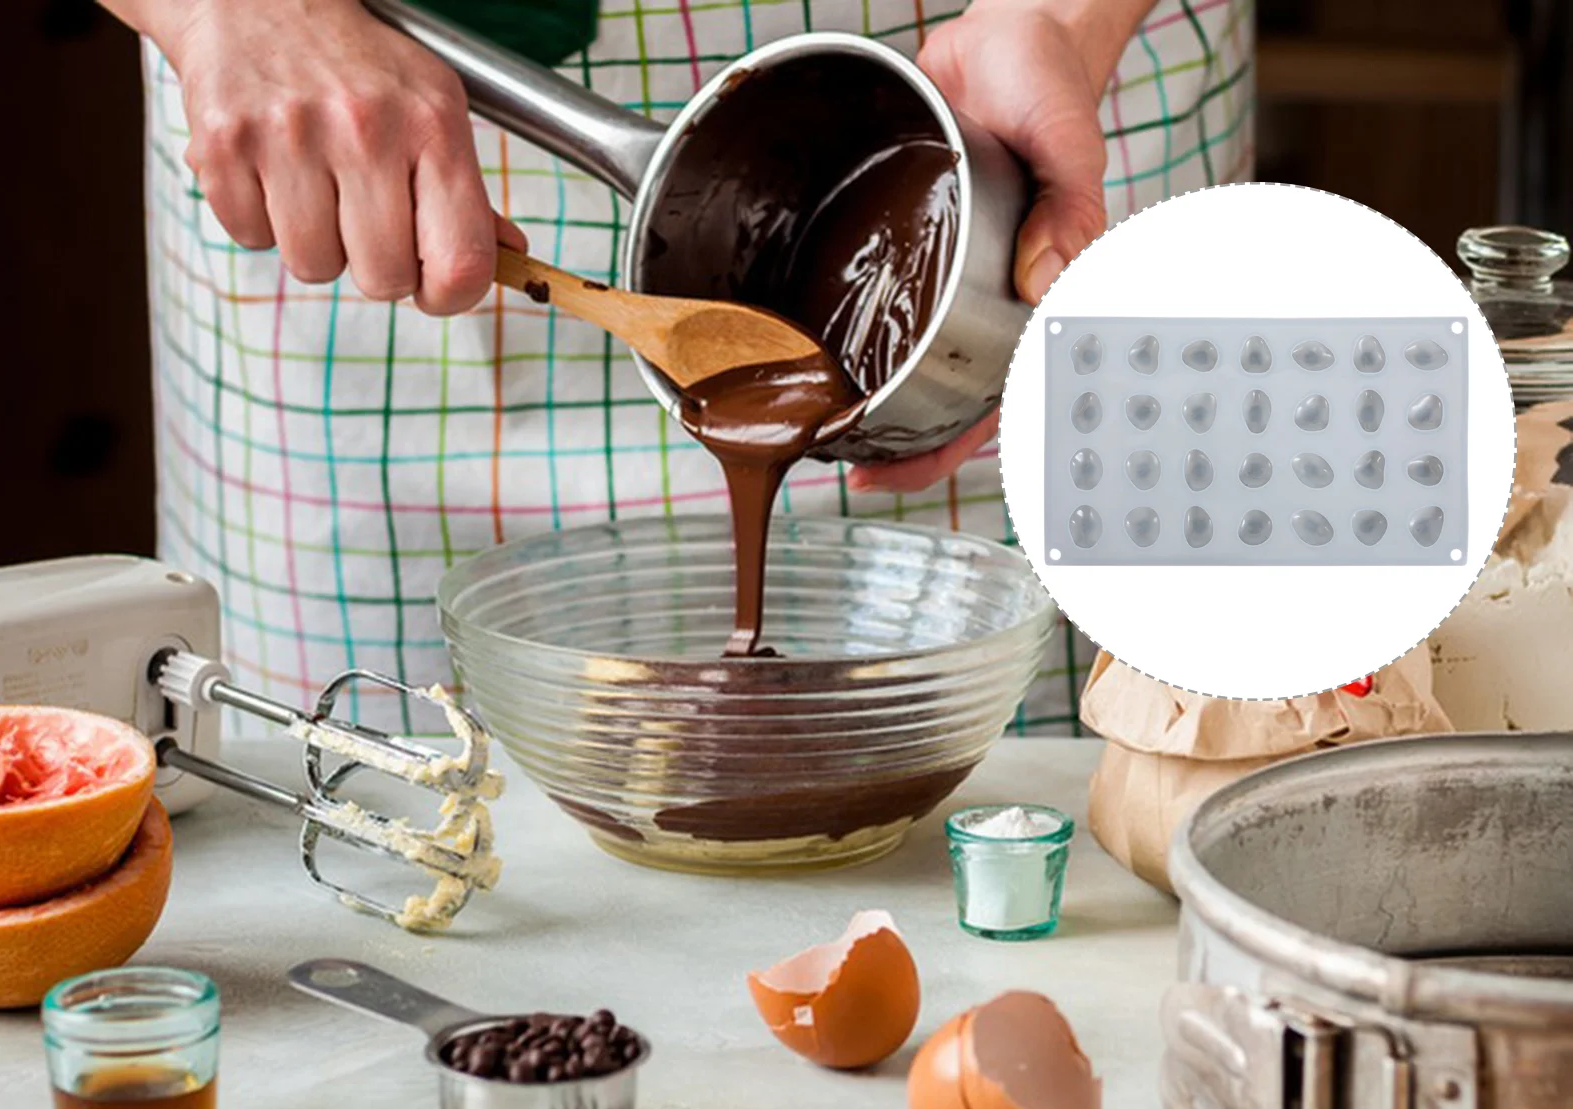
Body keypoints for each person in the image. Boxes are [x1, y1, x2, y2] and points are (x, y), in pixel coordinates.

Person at [102, 0, 1253, 731]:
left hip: (1001, 99)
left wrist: (1064, 18)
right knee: (375, 809)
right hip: (341, 148)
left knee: (1058, 825)